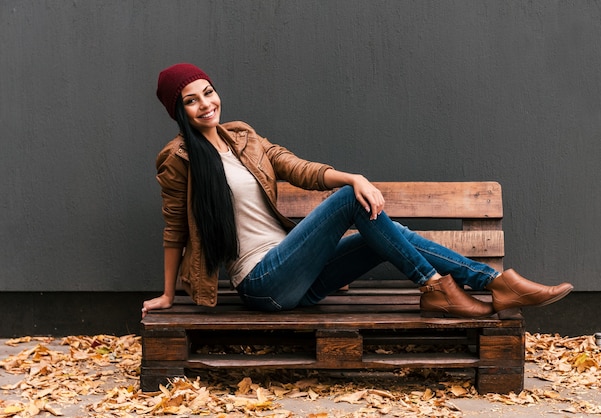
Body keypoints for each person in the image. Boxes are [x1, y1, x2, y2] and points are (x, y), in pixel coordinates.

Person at [142, 63, 573, 320]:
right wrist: (167, 294)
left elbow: (299, 169)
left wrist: (350, 176)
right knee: (353, 200)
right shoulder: (178, 158)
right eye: (192, 101)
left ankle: (494, 282)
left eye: (208, 92)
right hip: (262, 283)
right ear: (178, 111)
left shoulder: (244, 137)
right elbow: (175, 228)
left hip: (302, 279)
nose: (206, 104)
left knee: (384, 227)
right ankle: (439, 287)